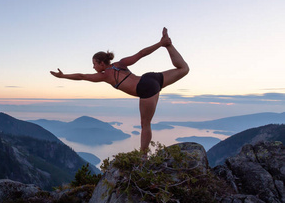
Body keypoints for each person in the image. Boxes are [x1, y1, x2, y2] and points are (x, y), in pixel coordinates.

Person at [50, 28, 189, 155]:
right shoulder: (121, 63)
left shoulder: (105, 75)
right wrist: (160, 44)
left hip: (145, 88)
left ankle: (143, 157)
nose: (93, 67)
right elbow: (141, 54)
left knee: (145, 124)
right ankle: (168, 44)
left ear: (102, 64)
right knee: (183, 69)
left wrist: (63, 76)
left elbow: (82, 76)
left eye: (94, 64)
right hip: (150, 78)